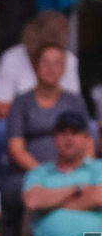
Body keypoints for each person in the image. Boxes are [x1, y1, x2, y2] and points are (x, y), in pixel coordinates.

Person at [0, 11, 79, 179]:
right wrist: (34, 119)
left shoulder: (69, 59)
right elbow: (0, 109)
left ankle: (82, 177)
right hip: (17, 124)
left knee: (89, 128)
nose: (51, 68)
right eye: (45, 62)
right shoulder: (12, 58)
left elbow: (74, 108)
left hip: (59, 124)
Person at [7, 42, 92, 174]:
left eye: (57, 62)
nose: (51, 68)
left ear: (64, 68)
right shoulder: (21, 102)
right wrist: (45, 175)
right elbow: (16, 150)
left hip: (75, 175)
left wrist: (80, 174)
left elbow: (88, 144)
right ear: (35, 66)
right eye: (45, 62)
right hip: (33, 176)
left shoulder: (75, 101)